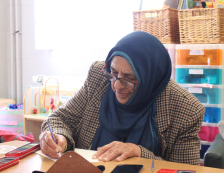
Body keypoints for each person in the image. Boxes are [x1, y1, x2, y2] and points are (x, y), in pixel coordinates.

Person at [40, 31, 205, 165]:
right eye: (113, 72)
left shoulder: (185, 109)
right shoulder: (99, 77)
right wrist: (58, 137)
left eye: (129, 78)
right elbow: (60, 118)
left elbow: (185, 172)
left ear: (150, 79)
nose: (117, 86)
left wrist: (140, 153)